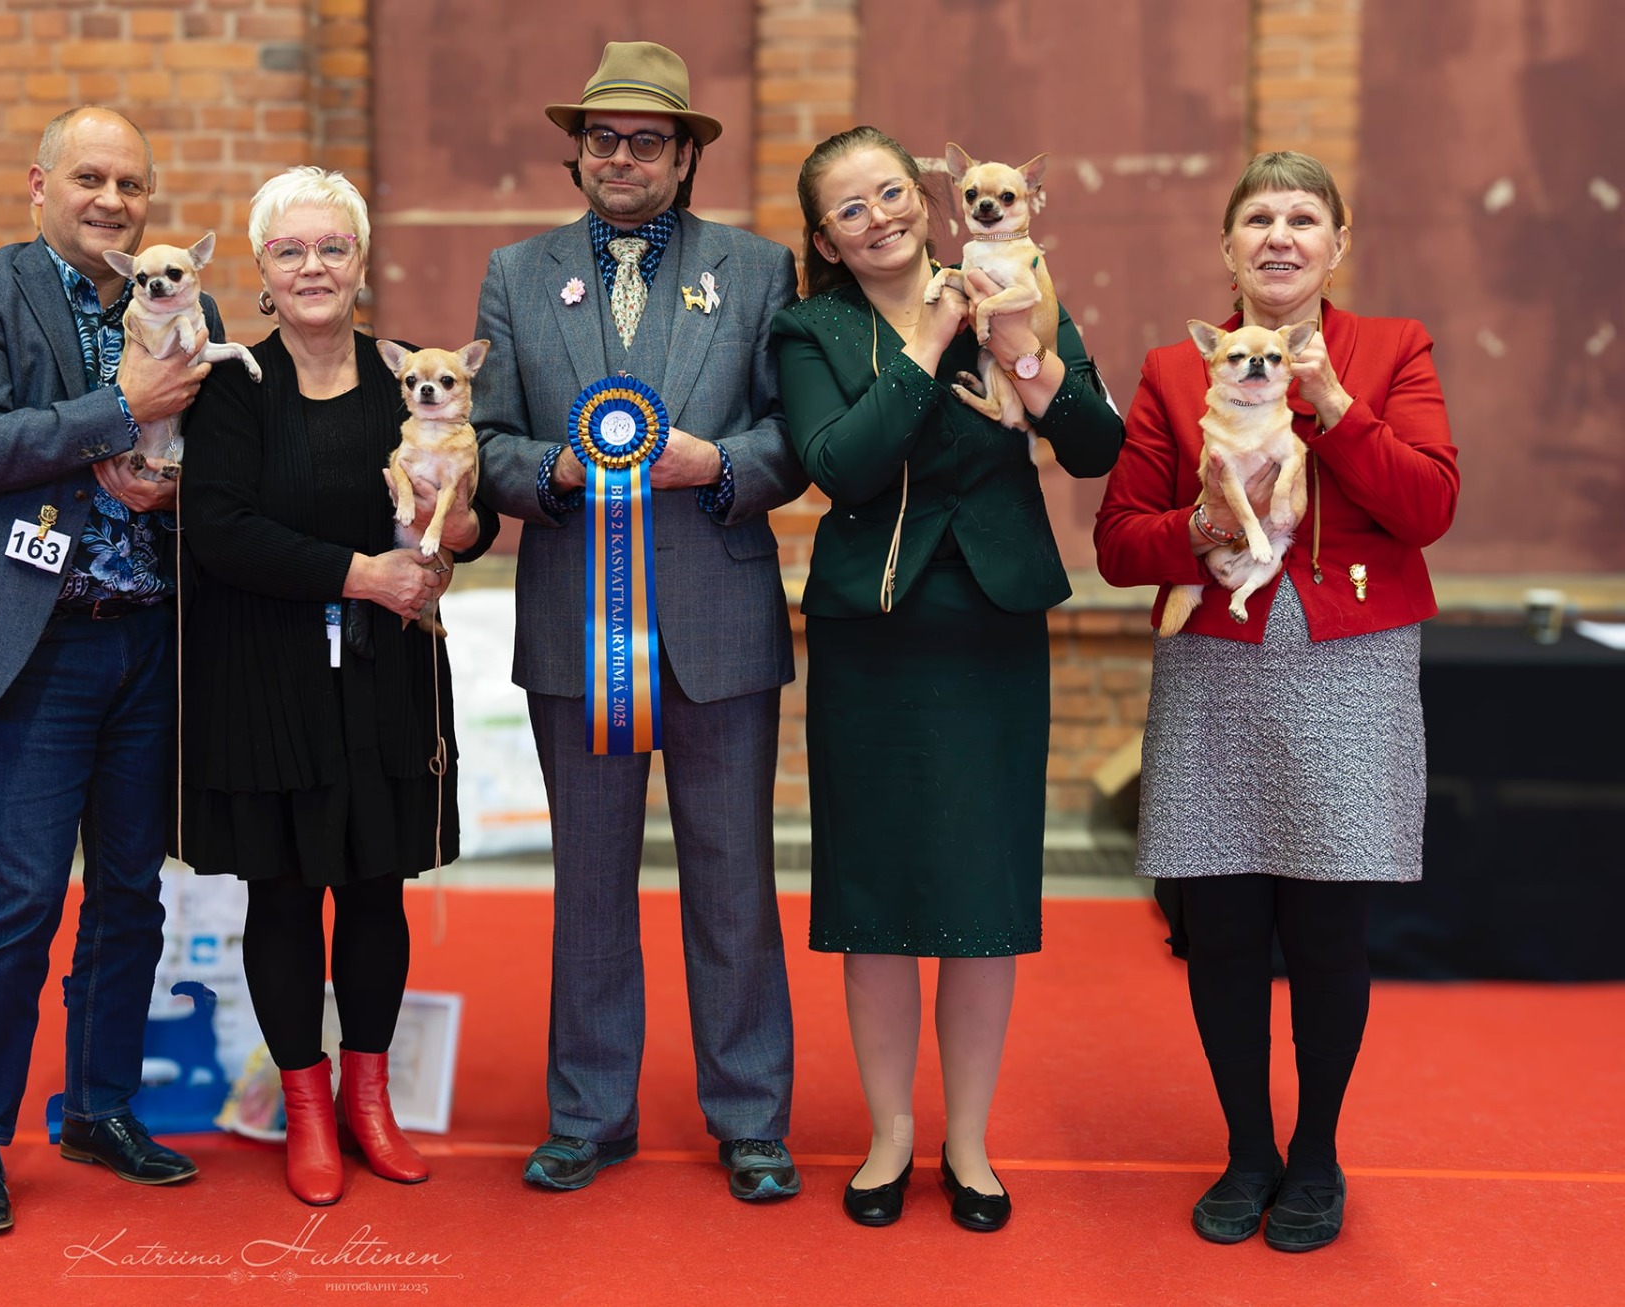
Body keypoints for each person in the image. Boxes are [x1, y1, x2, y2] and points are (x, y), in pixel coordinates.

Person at [1094, 151, 1459, 1252]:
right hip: (1214, 656)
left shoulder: (1392, 350)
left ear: (1338, 244)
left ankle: (1316, 1153)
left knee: (1329, 923)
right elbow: (1119, 544)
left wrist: (1337, 410)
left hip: (1352, 661)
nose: (1281, 235)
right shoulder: (1172, 368)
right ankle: (1247, 1145)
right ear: (1228, 247)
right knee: (1223, 925)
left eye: (1306, 217)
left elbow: (1430, 504)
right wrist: (1206, 529)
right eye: (1259, 217)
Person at [771, 126, 1125, 1231]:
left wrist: (1022, 349)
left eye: (891, 192)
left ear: (925, 197)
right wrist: (928, 345)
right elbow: (839, 463)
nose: (878, 216)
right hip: (874, 628)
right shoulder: (808, 326)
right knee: (874, 892)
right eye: (849, 208)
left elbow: (1096, 442)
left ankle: (968, 1140)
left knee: (982, 888)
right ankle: (890, 1134)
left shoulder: (1005, 272)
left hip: (992, 617)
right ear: (824, 237)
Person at [471, 40, 807, 1200]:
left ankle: (751, 1113)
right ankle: (588, 1111)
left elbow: (792, 434)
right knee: (590, 879)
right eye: (603, 139)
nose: (623, 157)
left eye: (647, 140)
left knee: (734, 876)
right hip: (577, 627)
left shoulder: (759, 271)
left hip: (719, 621)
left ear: (685, 156)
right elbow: (485, 441)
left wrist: (721, 462)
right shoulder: (516, 275)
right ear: (577, 155)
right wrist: (554, 474)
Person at [0, 106, 216, 1234]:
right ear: (40, 183)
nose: (112, 201)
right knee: (26, 895)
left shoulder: (190, 300)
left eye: (131, 185)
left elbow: (218, 463)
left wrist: (177, 481)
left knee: (133, 893)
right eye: (90, 177)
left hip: (152, 637)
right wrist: (120, 414)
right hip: (41, 645)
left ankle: (99, 1104)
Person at [176, 166, 495, 1206]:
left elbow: (468, 507)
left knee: (373, 887)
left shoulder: (410, 376)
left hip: (385, 672)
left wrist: (454, 544)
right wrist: (360, 572)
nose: (313, 267)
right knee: (282, 890)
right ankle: (304, 1106)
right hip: (263, 674)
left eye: (332, 247)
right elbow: (215, 528)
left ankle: (369, 1096)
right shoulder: (232, 388)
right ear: (263, 271)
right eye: (290, 251)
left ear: (361, 261)